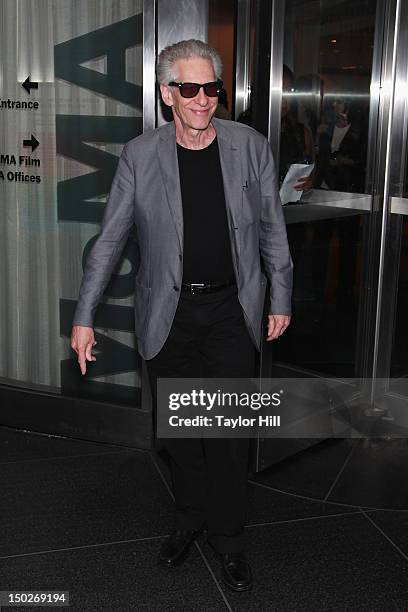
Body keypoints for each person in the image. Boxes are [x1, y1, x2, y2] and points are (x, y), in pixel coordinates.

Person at [70, 39, 293, 592]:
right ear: (168, 95)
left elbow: (272, 230)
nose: (202, 100)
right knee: (181, 433)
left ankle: (230, 539)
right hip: (168, 312)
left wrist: (281, 298)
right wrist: (84, 316)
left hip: (230, 311)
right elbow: (109, 241)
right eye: (188, 89)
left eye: (210, 88)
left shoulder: (251, 147)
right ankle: (188, 521)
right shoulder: (140, 155)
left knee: (226, 434)